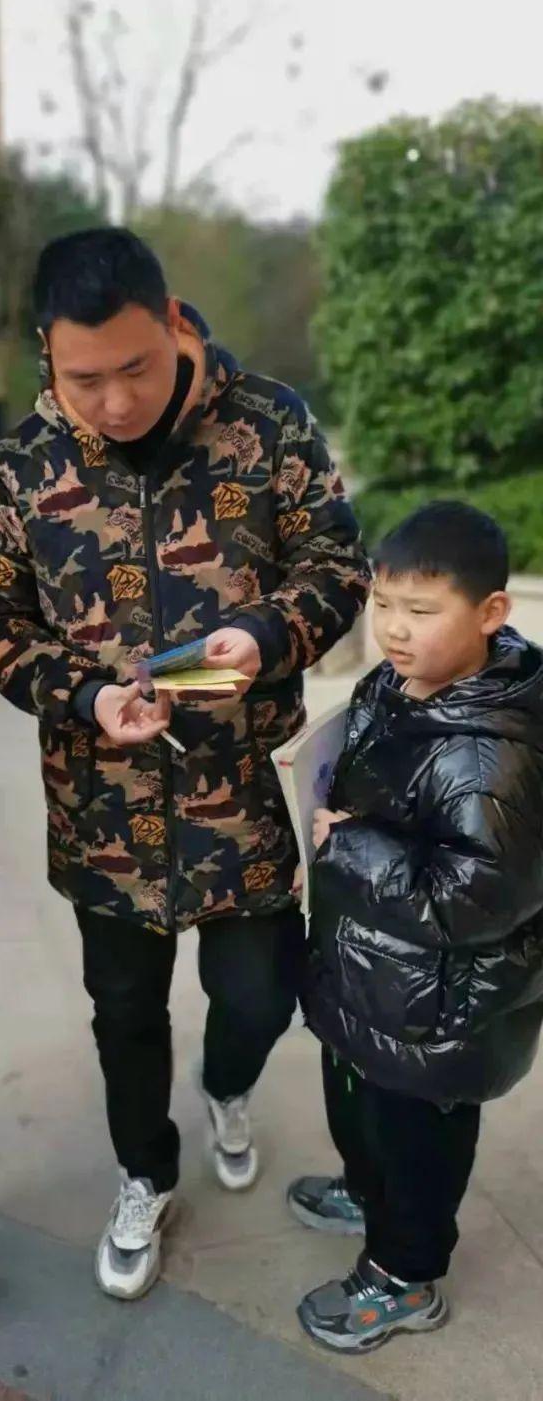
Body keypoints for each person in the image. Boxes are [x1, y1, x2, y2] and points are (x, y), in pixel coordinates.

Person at [0, 227, 370, 1300]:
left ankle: (227, 1083)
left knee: (260, 995)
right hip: (105, 813)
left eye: (135, 367)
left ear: (176, 321)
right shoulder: (18, 468)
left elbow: (338, 562)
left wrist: (271, 635)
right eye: (82, 377)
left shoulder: (269, 423)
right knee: (124, 1014)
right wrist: (86, 696)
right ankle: (144, 1172)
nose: (115, 401)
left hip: (245, 798)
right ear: (45, 356)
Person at [292, 501, 543, 1354]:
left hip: (436, 1012)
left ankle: (406, 1274)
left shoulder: (488, 755)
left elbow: (472, 901)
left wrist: (349, 847)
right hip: (372, 974)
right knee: (361, 1110)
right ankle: (369, 1192)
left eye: (422, 611)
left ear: (490, 613)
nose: (395, 631)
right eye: (384, 604)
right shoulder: (394, 684)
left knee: (418, 1136)